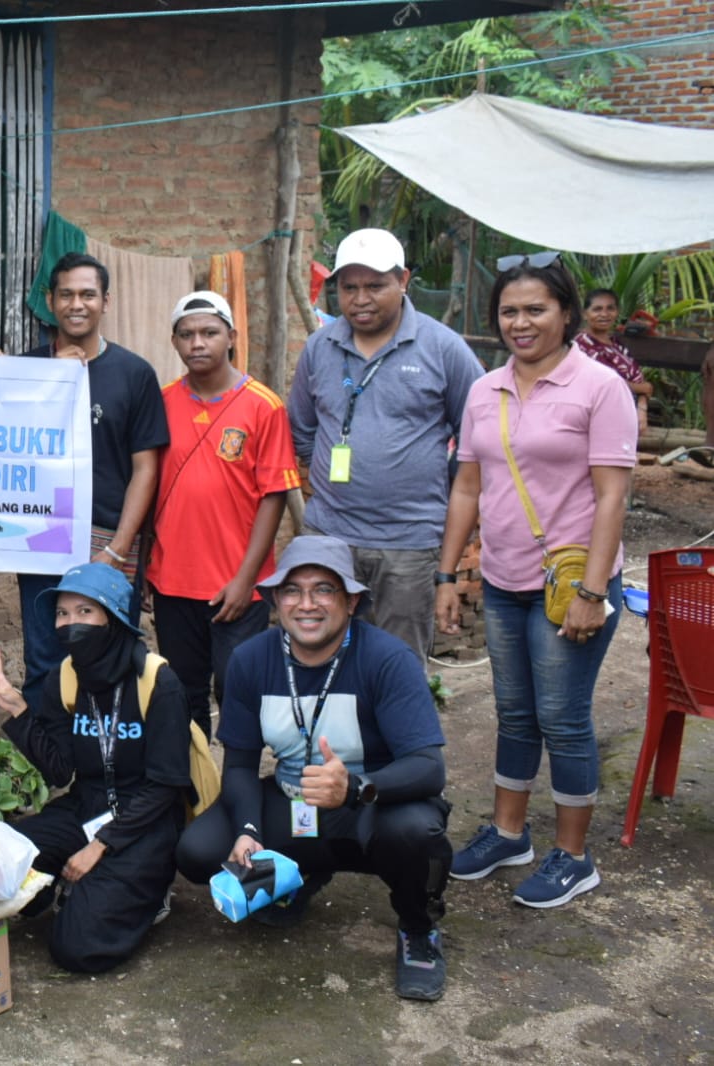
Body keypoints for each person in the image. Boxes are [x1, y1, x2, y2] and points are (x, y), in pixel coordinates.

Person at [436, 253, 635, 908]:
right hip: (501, 579)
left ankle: (573, 856)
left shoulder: (597, 388)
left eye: (535, 309)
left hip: (568, 584)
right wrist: (447, 572)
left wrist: (592, 592)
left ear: (567, 314)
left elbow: (611, 498)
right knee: (514, 712)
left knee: (561, 717)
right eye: (508, 311)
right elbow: (467, 485)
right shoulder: (482, 389)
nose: (519, 323)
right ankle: (507, 832)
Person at [174, 536, 453, 1002]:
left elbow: (429, 769)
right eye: (292, 591)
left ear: (351, 601)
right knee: (200, 851)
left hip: (370, 804)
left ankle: (418, 929)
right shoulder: (250, 660)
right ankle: (299, 875)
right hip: (293, 797)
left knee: (417, 832)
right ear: (276, 600)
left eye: (324, 590)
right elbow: (240, 764)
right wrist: (247, 829)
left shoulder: (386, 659)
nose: (307, 604)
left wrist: (358, 787)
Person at [0, 562, 192, 973]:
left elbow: (165, 786)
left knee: (76, 947)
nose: (70, 622)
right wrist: (20, 710)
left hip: (145, 819)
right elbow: (60, 771)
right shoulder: (65, 677)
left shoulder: (156, 681)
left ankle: (151, 892)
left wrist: (100, 846)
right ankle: (82, 886)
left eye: (84, 611)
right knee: (2, 859)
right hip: (87, 806)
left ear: (113, 618)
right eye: (62, 613)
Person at [288, 228, 484, 667]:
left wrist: (444, 490)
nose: (360, 298)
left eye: (375, 285)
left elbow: (478, 438)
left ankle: (392, 739)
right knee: (321, 660)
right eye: (349, 287)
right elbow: (301, 429)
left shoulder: (443, 348)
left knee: (396, 666)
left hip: (409, 542)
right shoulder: (320, 347)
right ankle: (325, 739)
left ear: (403, 281)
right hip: (329, 537)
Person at [15, 253, 169, 710]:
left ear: (106, 301)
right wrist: (47, 378)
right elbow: (2, 450)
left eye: (87, 294)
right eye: (66, 294)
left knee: (108, 654)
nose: (76, 304)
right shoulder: (26, 371)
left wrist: (119, 549)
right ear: (50, 301)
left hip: (107, 539)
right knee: (45, 655)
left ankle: (113, 765)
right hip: (42, 537)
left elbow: (146, 468)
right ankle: (49, 765)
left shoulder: (135, 373)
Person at [149, 291, 300, 741]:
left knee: (237, 688)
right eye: (187, 334)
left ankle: (239, 790)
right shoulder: (161, 401)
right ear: (174, 342)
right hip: (172, 580)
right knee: (182, 691)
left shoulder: (263, 405)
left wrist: (246, 578)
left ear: (231, 337)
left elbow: (274, 496)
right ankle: (196, 789)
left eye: (210, 333)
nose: (198, 343)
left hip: (236, 585)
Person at [575, 287, 652, 436]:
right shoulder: (580, 346)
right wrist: (642, 388)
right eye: (597, 309)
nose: (604, 314)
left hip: (628, 417)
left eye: (610, 308)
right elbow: (605, 383)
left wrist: (642, 409)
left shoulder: (617, 346)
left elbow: (641, 383)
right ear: (585, 314)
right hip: (595, 420)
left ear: (617, 312)